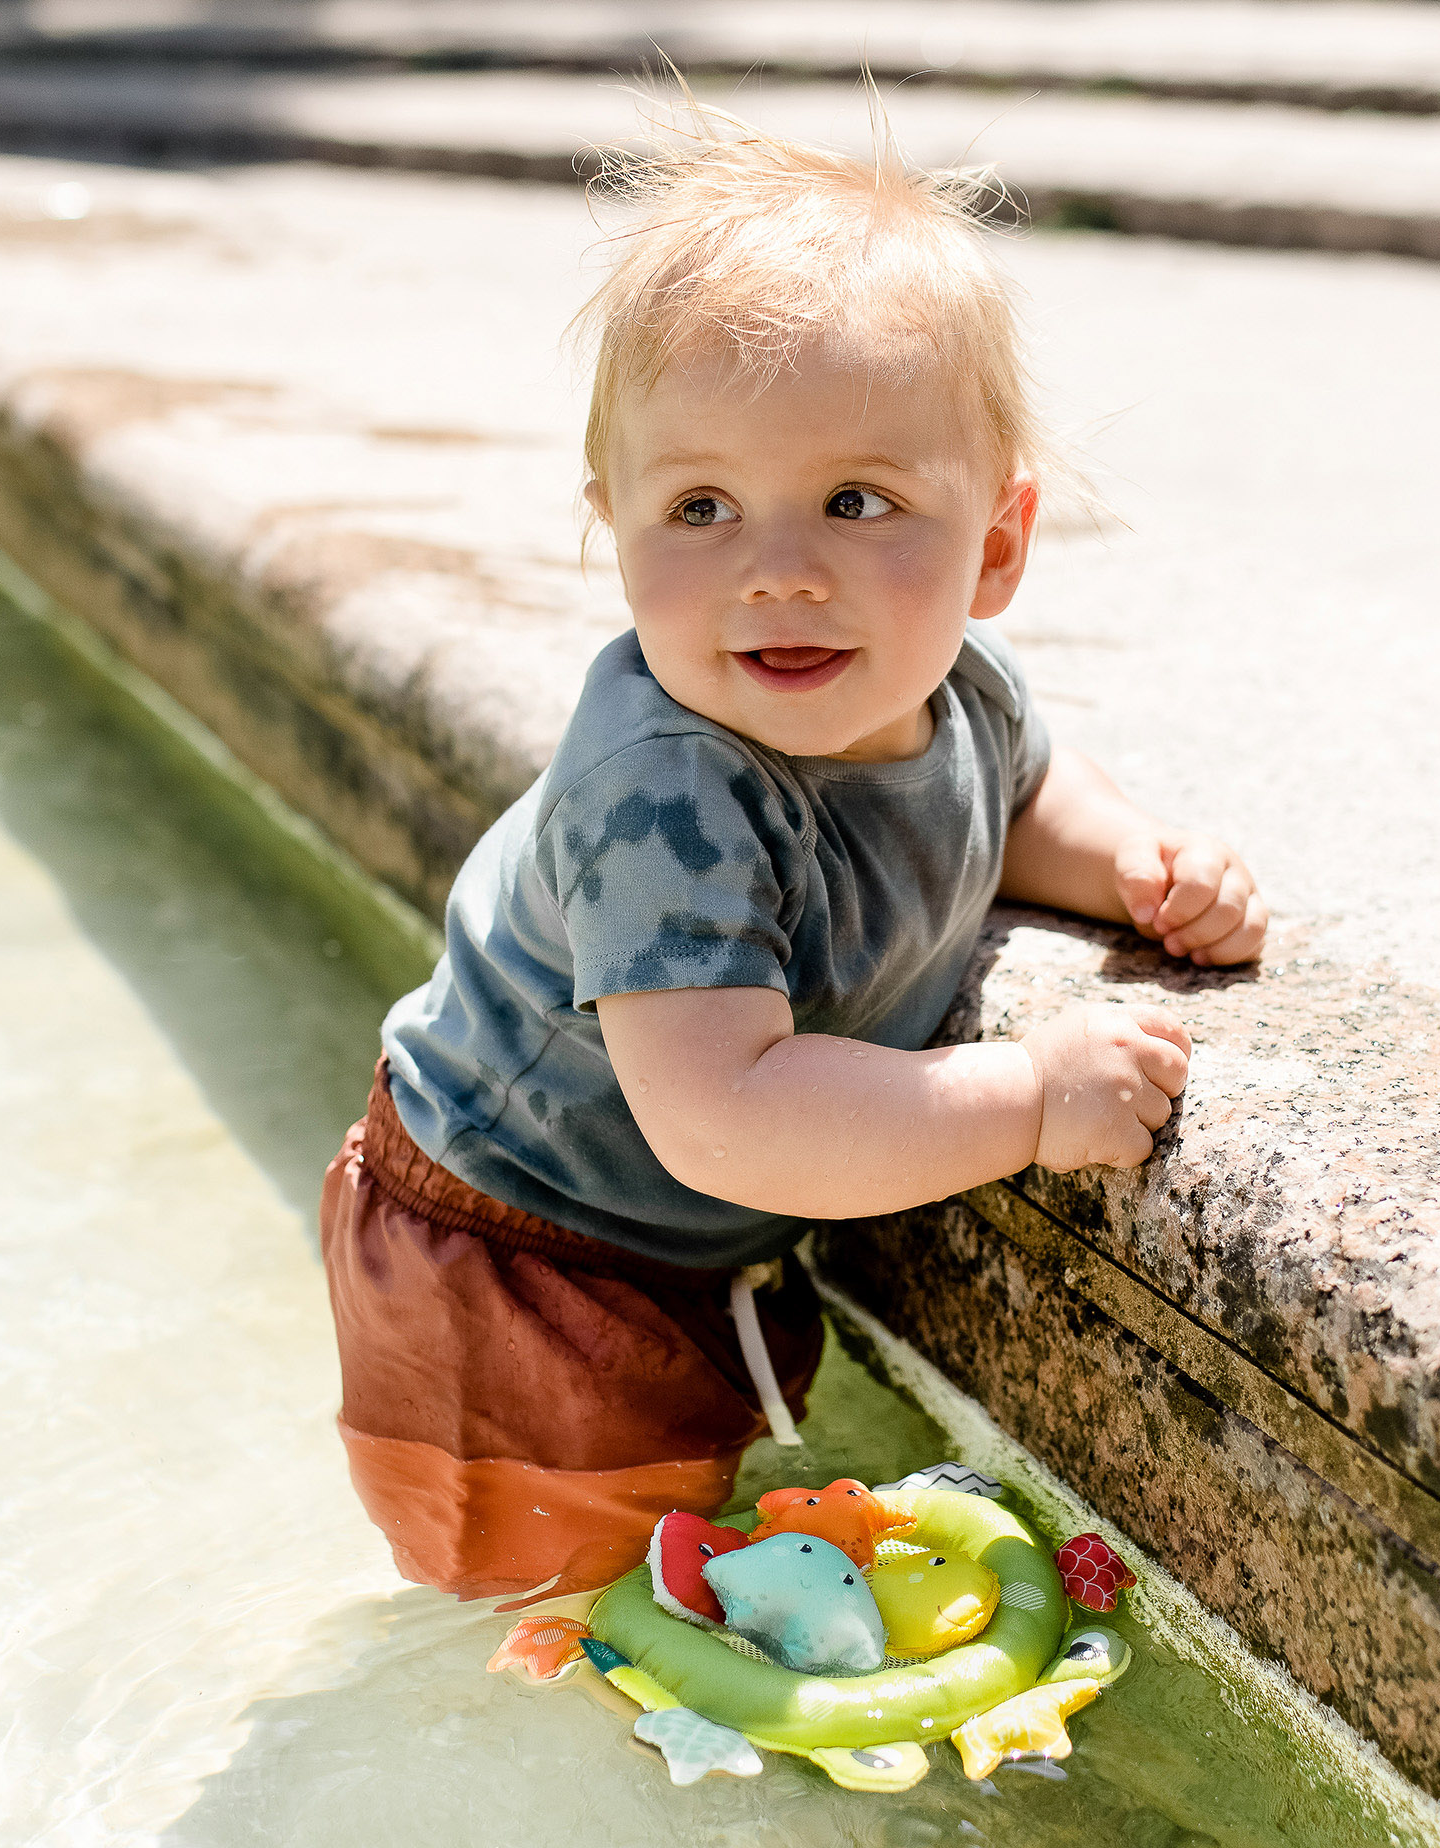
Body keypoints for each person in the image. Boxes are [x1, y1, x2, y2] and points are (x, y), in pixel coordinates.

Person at [320, 110, 1267, 1603]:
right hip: (515, 1259)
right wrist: (1025, 1096)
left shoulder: (951, 687)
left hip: (674, 1235)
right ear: (614, 534)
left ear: (998, 544)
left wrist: (1135, 863)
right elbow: (729, 1114)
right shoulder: (667, 798)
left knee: (681, 1547)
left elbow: (1020, 798)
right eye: (700, 507)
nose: (779, 567)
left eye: (857, 500)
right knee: (546, 1588)